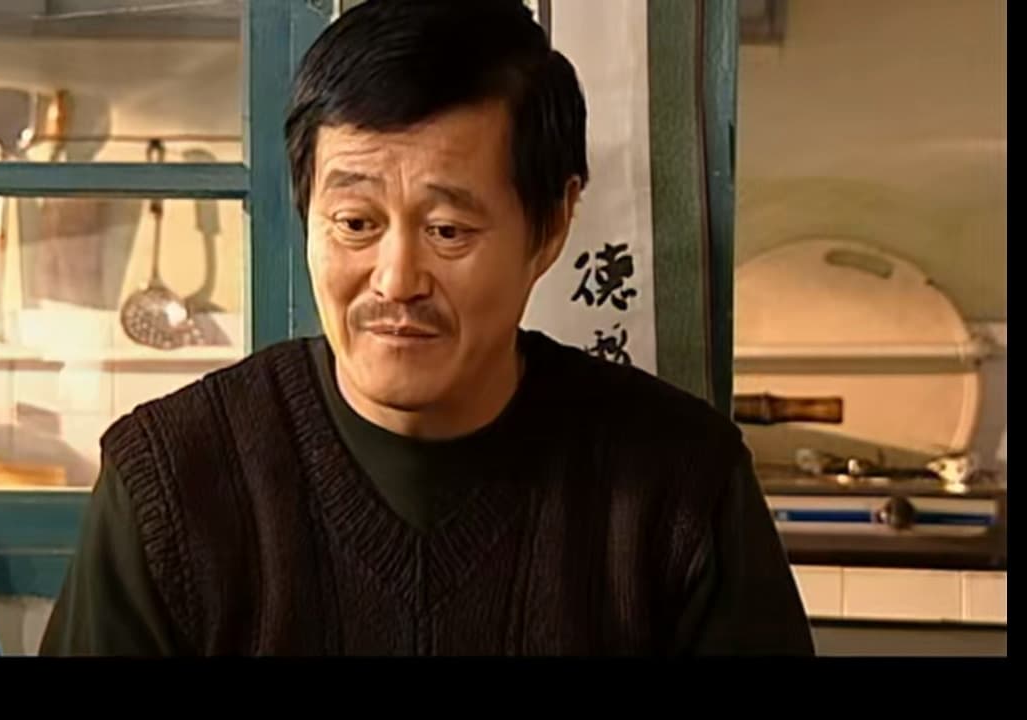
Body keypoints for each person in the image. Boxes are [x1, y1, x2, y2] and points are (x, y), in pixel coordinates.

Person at [40, 0, 814, 656]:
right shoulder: (173, 479)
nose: (395, 280)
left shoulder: (681, 485)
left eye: (447, 231)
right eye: (355, 223)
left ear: (551, 226)